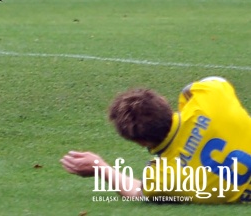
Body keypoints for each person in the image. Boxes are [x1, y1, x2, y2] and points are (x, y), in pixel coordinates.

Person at [61, 77, 251, 203]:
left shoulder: (161, 178)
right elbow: (214, 81)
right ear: (164, 102)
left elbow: (136, 192)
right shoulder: (210, 99)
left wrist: (100, 167)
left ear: (141, 141)